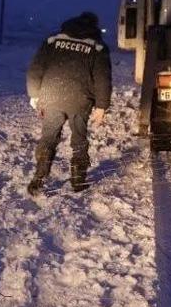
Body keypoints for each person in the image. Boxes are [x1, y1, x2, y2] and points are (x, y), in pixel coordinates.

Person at [25, 11, 112, 194]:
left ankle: (39, 178)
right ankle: (78, 179)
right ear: (94, 27)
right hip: (80, 100)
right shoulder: (97, 47)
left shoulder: (52, 41)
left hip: (52, 95)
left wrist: (34, 95)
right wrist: (101, 106)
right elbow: (103, 79)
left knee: (48, 137)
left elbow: (36, 68)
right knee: (79, 137)